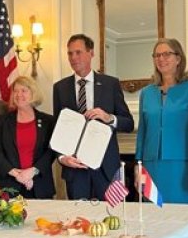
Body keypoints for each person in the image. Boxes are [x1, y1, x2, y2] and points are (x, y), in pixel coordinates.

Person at [53, 33, 134, 200]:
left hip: (105, 168)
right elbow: (57, 129)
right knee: (79, 221)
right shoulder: (60, 88)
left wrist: (108, 117)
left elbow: (128, 124)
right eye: (70, 53)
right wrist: (61, 158)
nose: (73, 58)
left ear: (91, 53)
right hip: (74, 169)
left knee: (110, 220)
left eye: (78, 52)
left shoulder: (110, 84)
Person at [135, 38, 188, 203]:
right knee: (152, 217)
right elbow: (142, 132)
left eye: (166, 54)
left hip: (182, 166)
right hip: (151, 166)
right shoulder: (146, 92)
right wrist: (138, 166)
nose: (161, 59)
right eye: (157, 55)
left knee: (181, 216)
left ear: (178, 58)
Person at [0, 76, 55, 199]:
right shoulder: (2, 121)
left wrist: (32, 172)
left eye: (23, 90)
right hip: (9, 186)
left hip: (39, 185)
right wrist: (16, 174)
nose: (18, 94)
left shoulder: (47, 121)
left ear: (33, 93)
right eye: (16, 91)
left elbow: (51, 152)